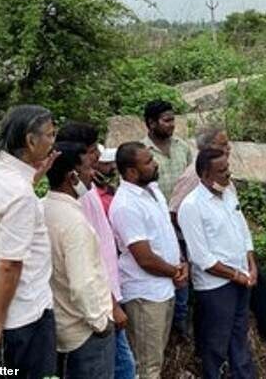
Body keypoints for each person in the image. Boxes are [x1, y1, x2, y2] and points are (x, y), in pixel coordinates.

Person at [170, 126, 266, 345]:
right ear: (207, 149)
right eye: (222, 145)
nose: (229, 148)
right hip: (212, 256)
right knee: (215, 307)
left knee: (255, 283)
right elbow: (175, 211)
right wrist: (195, 238)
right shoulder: (193, 176)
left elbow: (237, 217)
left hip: (234, 250)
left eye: (227, 143)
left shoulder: (223, 174)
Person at [0, 105, 58, 377]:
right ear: (30, 141)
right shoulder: (19, 194)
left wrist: (33, 176)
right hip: (21, 315)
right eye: (50, 135)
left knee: (0, 373)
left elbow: (1, 207)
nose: (53, 141)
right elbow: (9, 264)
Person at [56, 122, 135, 379]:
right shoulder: (78, 206)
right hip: (98, 315)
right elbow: (85, 272)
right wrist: (106, 315)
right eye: (91, 153)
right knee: (120, 368)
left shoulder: (80, 195)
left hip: (103, 303)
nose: (98, 158)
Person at [109, 142, 188, 379]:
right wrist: (175, 271)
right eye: (148, 162)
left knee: (155, 359)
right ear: (131, 172)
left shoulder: (152, 190)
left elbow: (165, 233)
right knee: (147, 366)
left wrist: (180, 261)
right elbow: (143, 257)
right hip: (145, 295)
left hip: (164, 289)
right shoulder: (125, 205)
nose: (155, 165)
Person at [178, 149, 257, 379]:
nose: (228, 174)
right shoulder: (192, 206)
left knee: (239, 336)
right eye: (222, 171)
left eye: (228, 168)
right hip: (216, 287)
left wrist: (251, 265)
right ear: (204, 174)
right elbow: (202, 258)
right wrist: (236, 275)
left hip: (242, 277)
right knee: (216, 343)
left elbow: (243, 232)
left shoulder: (229, 193)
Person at [43, 141, 115, 378]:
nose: (92, 175)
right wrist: (101, 323)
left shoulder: (42, 208)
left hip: (60, 327)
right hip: (85, 333)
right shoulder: (74, 222)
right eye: (87, 169)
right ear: (72, 176)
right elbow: (82, 284)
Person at [141, 99, 192, 338]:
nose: (172, 125)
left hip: (187, 223)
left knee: (187, 272)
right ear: (151, 123)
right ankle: (170, 328)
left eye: (173, 119)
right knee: (170, 272)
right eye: (166, 120)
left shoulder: (183, 148)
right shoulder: (141, 154)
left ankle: (182, 324)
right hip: (159, 226)